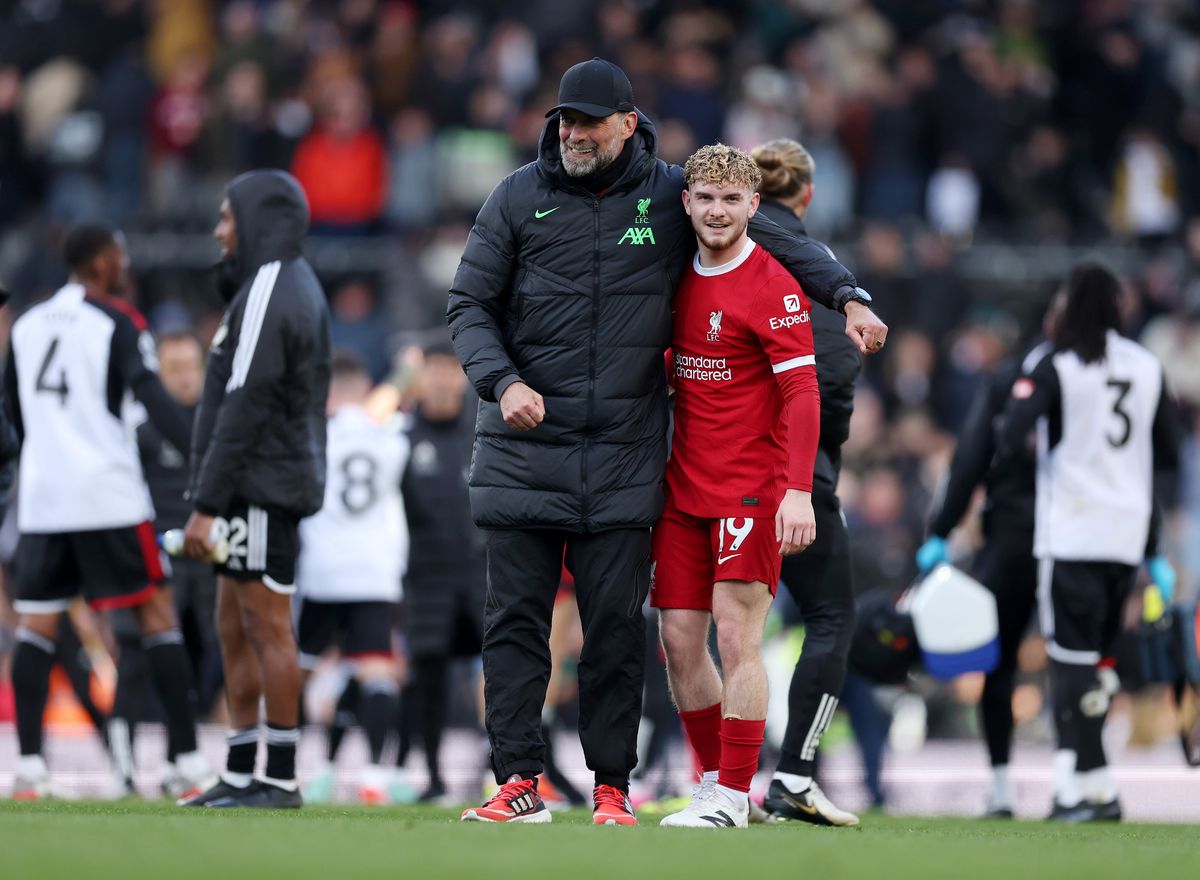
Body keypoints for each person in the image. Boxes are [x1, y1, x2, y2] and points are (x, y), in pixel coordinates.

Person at [449, 57, 886, 827]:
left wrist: (846, 294)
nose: (573, 133)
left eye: (589, 120)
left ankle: (614, 787)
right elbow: (468, 304)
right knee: (515, 623)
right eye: (564, 119)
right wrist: (502, 382)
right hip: (524, 449)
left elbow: (774, 236)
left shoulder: (671, 191)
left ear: (627, 123)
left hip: (623, 459)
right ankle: (519, 780)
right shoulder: (516, 196)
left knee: (618, 631)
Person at [4, 224, 210, 800]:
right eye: (119, 256)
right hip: (108, 496)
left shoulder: (25, 325)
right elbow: (152, 396)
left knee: (36, 627)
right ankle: (189, 762)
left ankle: (29, 770)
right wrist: (203, 459)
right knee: (158, 618)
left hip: (45, 501)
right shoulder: (118, 322)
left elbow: (12, 414)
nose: (125, 265)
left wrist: (44, 458)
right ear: (99, 263)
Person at [652, 144, 820, 829]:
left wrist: (799, 492)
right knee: (678, 640)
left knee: (736, 637)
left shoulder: (772, 284)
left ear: (754, 205)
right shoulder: (673, 276)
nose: (717, 211)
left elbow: (803, 391)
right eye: (706, 198)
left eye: (731, 200)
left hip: (752, 488)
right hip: (683, 487)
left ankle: (733, 797)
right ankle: (712, 782)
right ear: (686, 202)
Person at [995, 261, 1181, 822]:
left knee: (1071, 662)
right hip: (1127, 535)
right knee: (1098, 661)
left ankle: (1083, 787)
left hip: (1074, 528)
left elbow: (1010, 432)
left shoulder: (1060, 363)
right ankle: (1086, 784)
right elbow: (1169, 454)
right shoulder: (1148, 365)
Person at [180, 170, 331, 809]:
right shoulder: (263, 284)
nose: (219, 230)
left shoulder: (274, 283)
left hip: (264, 486)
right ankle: (241, 771)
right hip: (250, 484)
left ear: (257, 218)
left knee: (267, 626)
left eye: (226, 217)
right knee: (233, 624)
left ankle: (279, 776)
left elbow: (242, 404)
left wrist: (204, 506)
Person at [916, 294, 1062, 818]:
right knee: (1076, 661)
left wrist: (942, 529)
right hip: (1077, 539)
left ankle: (1001, 786)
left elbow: (972, 456)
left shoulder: (1008, 381)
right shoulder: (1099, 378)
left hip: (1016, 537)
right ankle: (1079, 780)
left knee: (996, 661)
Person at [750, 138, 861, 827]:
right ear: (808, 196)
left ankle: (712, 776)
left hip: (716, 472)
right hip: (801, 482)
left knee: (711, 625)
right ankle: (793, 774)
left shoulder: (720, 265)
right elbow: (837, 396)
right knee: (829, 617)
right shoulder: (824, 286)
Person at [109, 331, 222, 799]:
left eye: (188, 367)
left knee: (199, 661)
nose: (181, 377)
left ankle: (181, 760)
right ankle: (122, 770)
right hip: (152, 558)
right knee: (135, 661)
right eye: (171, 368)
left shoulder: (215, 429)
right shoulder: (140, 434)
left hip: (203, 562)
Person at [296, 352, 408, 806]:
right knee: (376, 673)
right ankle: (374, 775)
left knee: (299, 671)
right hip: (374, 571)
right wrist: (404, 369)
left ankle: (293, 767)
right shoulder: (390, 431)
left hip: (321, 569)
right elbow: (399, 393)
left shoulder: (310, 433)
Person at [397, 342, 485, 803]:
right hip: (425, 576)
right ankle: (430, 773)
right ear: (420, 378)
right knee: (426, 676)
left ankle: (501, 768)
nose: (442, 380)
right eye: (433, 371)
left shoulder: (482, 430)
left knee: (498, 669)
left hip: (478, 572)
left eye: (451, 371)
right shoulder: (400, 438)